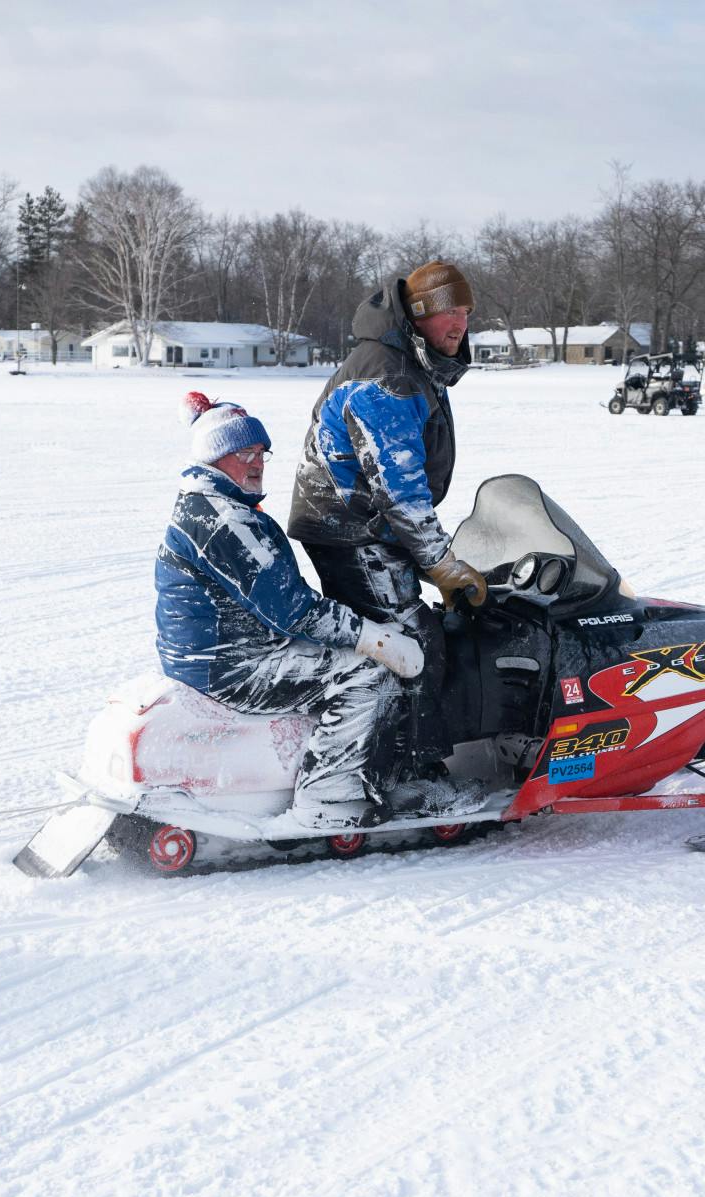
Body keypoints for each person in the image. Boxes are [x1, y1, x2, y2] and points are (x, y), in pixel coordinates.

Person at [157, 392, 424, 828]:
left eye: (261, 452)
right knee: (366, 672)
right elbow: (293, 610)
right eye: (243, 452)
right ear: (213, 457)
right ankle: (328, 796)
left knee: (343, 657)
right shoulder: (224, 519)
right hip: (231, 664)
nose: (257, 462)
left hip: (215, 652)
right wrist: (376, 639)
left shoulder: (209, 503)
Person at [287, 260, 488, 813]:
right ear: (420, 313)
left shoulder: (411, 361)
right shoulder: (389, 375)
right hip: (348, 529)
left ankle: (392, 756)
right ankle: (403, 778)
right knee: (411, 642)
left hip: (362, 525)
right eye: (450, 311)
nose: (460, 323)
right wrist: (441, 563)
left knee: (416, 629)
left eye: (467, 312)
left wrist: (431, 559)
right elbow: (400, 490)